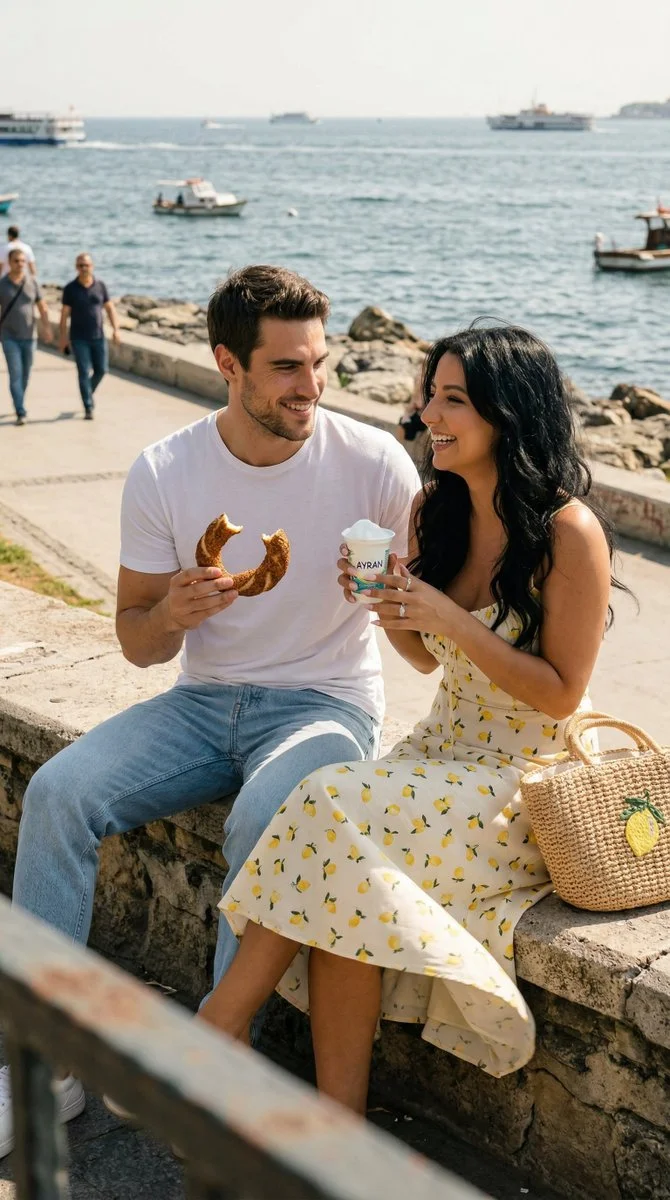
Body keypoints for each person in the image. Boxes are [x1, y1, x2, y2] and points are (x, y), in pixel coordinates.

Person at [1, 265, 419, 1154]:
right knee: (59, 794)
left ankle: (215, 1067)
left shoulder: (374, 463)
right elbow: (134, 640)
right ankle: (48, 1065)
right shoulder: (166, 468)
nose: (312, 387)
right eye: (286, 369)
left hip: (327, 704)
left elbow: (426, 622)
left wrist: (389, 595)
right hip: (202, 704)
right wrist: (171, 614)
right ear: (228, 363)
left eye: (319, 363)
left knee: (268, 817)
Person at [196, 324, 624, 1115]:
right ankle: (339, 1128)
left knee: (328, 805)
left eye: (454, 400)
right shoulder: (435, 510)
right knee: (339, 862)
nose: (430, 413)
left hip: (526, 779)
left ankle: (218, 1024)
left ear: (509, 413)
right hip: (442, 753)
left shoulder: (570, 532)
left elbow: (562, 693)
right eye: (430, 395)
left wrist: (449, 618)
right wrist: (387, 609)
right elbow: (428, 662)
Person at [59, 253, 121, 419]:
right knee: (83, 372)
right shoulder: (70, 288)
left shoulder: (100, 286)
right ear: (76, 268)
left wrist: (116, 329)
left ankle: (88, 393)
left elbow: (109, 308)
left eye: (86, 265)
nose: (84, 268)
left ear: (92, 266)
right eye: (80, 265)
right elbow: (64, 315)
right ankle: (88, 406)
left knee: (102, 370)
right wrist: (63, 337)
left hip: (98, 336)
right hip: (78, 338)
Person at [0, 248, 52, 425]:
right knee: (15, 373)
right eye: (16, 261)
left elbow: (42, 306)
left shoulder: (32, 282)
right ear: (9, 262)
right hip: (8, 336)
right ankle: (21, 411)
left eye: (23, 261)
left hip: (30, 336)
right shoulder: (2, 284)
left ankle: (18, 401)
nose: (20, 264)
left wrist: (46, 327)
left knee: (25, 374)